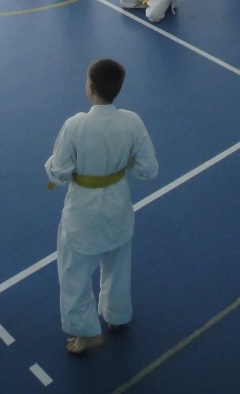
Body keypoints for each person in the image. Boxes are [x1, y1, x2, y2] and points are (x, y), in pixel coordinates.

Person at [46, 58, 158, 355]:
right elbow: (149, 169)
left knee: (74, 274)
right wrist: (125, 164)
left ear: (90, 88)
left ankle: (87, 333)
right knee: (118, 265)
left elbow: (59, 174)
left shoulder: (75, 125)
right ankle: (116, 316)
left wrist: (53, 168)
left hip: (82, 213)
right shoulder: (132, 121)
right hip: (118, 206)